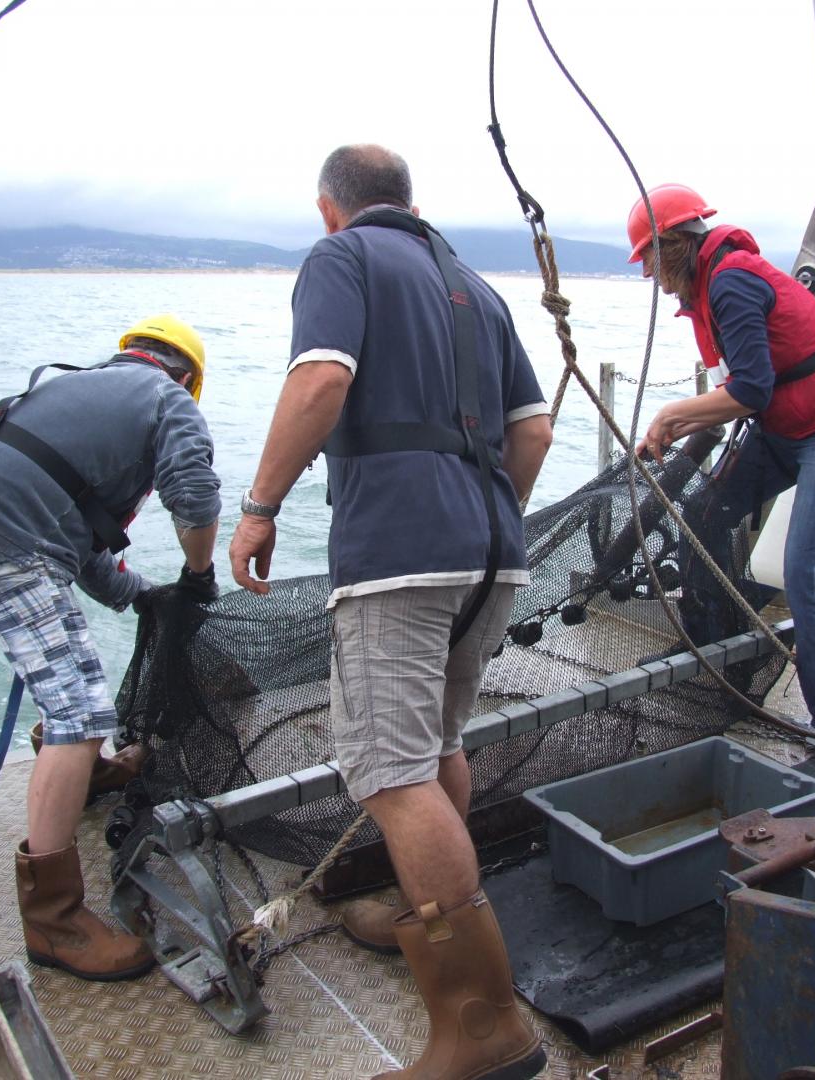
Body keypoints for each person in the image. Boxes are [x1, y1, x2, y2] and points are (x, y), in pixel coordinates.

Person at [229, 144, 552, 1080]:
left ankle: (484, 1029)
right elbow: (531, 430)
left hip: (399, 558)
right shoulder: (477, 288)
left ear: (332, 209)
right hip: (495, 555)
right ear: (406, 201)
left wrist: (258, 509)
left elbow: (322, 381)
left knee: (388, 774)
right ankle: (428, 918)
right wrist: (483, 519)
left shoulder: (342, 258)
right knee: (435, 749)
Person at [0, 314, 222, 981]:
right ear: (187, 380)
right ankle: (53, 920)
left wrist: (145, 594)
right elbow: (197, 498)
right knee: (81, 714)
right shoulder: (166, 401)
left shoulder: (74, 393)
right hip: (6, 543)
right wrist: (198, 577)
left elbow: (82, 549)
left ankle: (85, 775)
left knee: (76, 690)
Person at [628, 183, 815, 790]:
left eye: (648, 258)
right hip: (784, 428)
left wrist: (671, 415)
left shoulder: (731, 280)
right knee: (702, 517)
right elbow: (743, 394)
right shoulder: (703, 294)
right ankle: (709, 652)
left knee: (805, 571)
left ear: (672, 244)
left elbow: (750, 390)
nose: (649, 274)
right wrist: (685, 430)